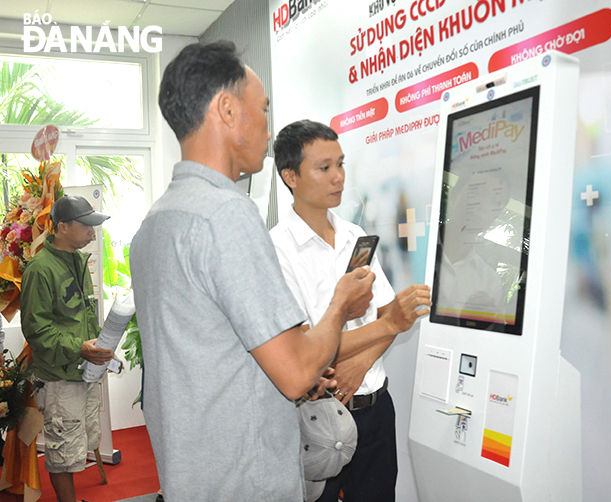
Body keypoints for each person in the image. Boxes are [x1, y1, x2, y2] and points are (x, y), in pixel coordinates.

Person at [129, 41, 375, 501]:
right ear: (227, 110)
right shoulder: (227, 214)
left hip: (193, 473)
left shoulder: (155, 223)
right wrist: (341, 304)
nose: (267, 128)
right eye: (262, 109)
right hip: (246, 479)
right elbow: (297, 372)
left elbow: (210, 349)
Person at [270, 120, 432, 502]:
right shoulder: (276, 249)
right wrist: (389, 322)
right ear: (290, 176)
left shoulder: (354, 237)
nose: (338, 177)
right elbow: (304, 352)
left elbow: (388, 316)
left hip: (375, 408)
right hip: (318, 420)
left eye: (341, 164)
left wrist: (362, 363)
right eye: (324, 168)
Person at [21, 194, 113, 502]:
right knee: (62, 450)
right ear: (62, 227)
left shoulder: (77, 261)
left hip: (82, 371)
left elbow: (83, 317)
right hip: (59, 376)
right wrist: (80, 348)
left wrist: (103, 347)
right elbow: (37, 330)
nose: (92, 231)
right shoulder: (40, 269)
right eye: (86, 225)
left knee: (77, 442)